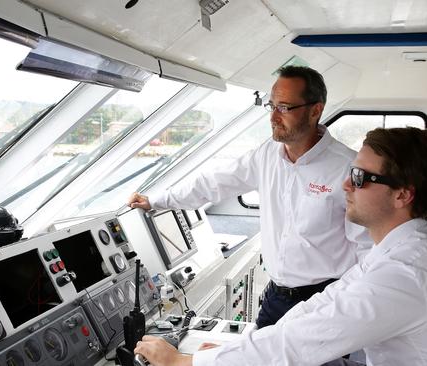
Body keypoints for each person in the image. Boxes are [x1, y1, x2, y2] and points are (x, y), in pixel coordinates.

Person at [134, 127, 427, 366]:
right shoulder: (411, 246)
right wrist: (229, 351)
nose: (345, 185)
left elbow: (300, 343)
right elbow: (328, 302)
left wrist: (186, 361)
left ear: (403, 194)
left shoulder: (406, 273)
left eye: (359, 177)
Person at [129, 66, 371, 328]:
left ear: (315, 110)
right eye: (272, 106)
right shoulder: (267, 154)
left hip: (323, 301)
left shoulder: (347, 168)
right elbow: (213, 183)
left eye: (284, 108)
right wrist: (156, 200)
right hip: (276, 299)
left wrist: (339, 304)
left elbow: (368, 249)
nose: (274, 117)